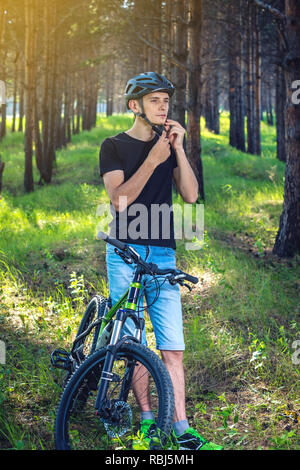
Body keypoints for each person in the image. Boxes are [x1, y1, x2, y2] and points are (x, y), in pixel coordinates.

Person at [99, 72, 222, 450]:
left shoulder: (168, 147)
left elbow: (189, 195)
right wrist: (153, 159)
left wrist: (178, 150)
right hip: (126, 254)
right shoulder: (113, 146)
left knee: (172, 346)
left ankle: (181, 429)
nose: (164, 106)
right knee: (134, 344)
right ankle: (149, 421)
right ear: (134, 106)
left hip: (164, 254)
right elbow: (119, 201)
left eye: (166, 100)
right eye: (155, 100)